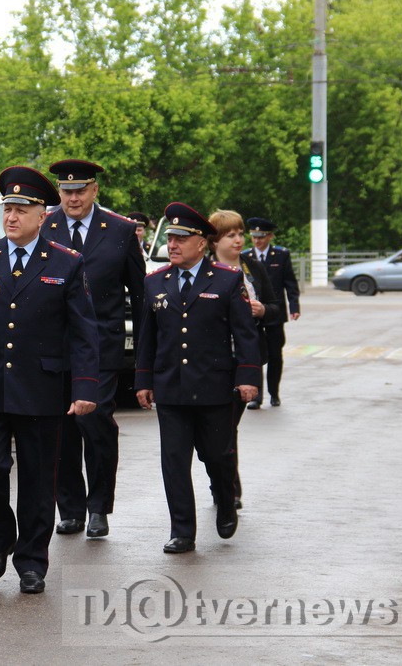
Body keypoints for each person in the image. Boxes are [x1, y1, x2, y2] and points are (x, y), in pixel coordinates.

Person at [0, 166, 99, 594]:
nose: (11, 217)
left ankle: (31, 562)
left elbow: (84, 332)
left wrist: (85, 388)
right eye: (6, 208)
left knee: (36, 479)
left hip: (41, 389)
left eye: (21, 209)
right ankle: (0, 539)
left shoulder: (66, 263)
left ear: (41, 215)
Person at [135, 202, 261, 554]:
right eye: (170, 238)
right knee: (174, 461)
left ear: (201, 243)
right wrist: (143, 381)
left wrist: (248, 377)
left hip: (214, 388)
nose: (172, 245)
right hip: (171, 388)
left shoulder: (226, 279)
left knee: (217, 457)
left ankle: (224, 500)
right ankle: (182, 531)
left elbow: (245, 333)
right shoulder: (154, 282)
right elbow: (148, 336)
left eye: (181, 239)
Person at [43, 159, 146, 539]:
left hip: (101, 347)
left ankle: (99, 505)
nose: (72, 197)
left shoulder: (120, 230)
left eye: (80, 190)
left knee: (94, 420)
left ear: (94, 190)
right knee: (61, 429)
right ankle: (69, 507)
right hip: (53, 348)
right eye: (66, 191)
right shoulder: (46, 225)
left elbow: (139, 293)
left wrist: (146, 360)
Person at [207, 209, 281, 510]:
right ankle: (222, 482)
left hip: (245, 360)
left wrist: (262, 310)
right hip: (213, 361)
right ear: (214, 241)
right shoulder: (205, 269)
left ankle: (229, 487)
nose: (239, 240)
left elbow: (277, 306)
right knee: (218, 431)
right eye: (231, 235)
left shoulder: (251, 267)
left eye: (240, 234)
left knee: (227, 427)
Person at [243, 217, 301, 407]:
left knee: (275, 355)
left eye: (261, 236)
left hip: (275, 314)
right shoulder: (245, 257)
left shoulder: (281, 255)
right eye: (254, 236)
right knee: (256, 355)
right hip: (255, 315)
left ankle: (274, 392)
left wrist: (294, 307)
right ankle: (256, 397)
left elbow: (290, 283)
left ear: (270, 236)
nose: (257, 240)